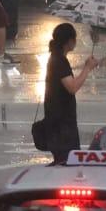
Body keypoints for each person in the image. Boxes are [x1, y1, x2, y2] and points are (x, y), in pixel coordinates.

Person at [42, 24, 98, 164]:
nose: (76, 41)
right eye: (75, 38)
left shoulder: (58, 59)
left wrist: (86, 66)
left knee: (66, 161)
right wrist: (87, 68)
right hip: (61, 125)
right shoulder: (58, 61)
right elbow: (72, 87)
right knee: (68, 162)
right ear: (69, 41)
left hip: (60, 121)